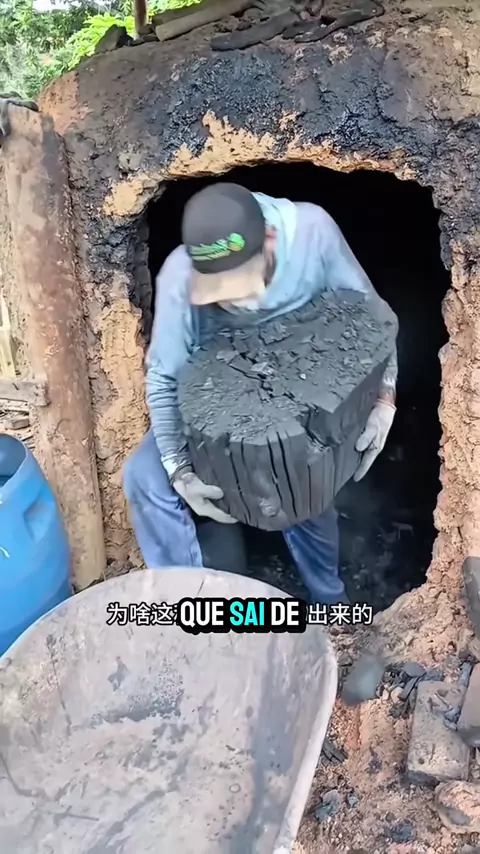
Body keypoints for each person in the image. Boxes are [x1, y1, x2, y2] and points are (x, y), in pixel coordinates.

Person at [123, 183, 398, 605]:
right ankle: (186, 605)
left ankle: (329, 600)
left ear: (269, 240)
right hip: (214, 406)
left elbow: (372, 317)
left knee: (304, 481)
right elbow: (163, 379)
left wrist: (383, 399)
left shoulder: (312, 233)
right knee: (144, 477)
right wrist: (179, 470)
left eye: (244, 285)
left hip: (301, 393)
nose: (239, 304)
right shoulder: (180, 275)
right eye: (222, 294)